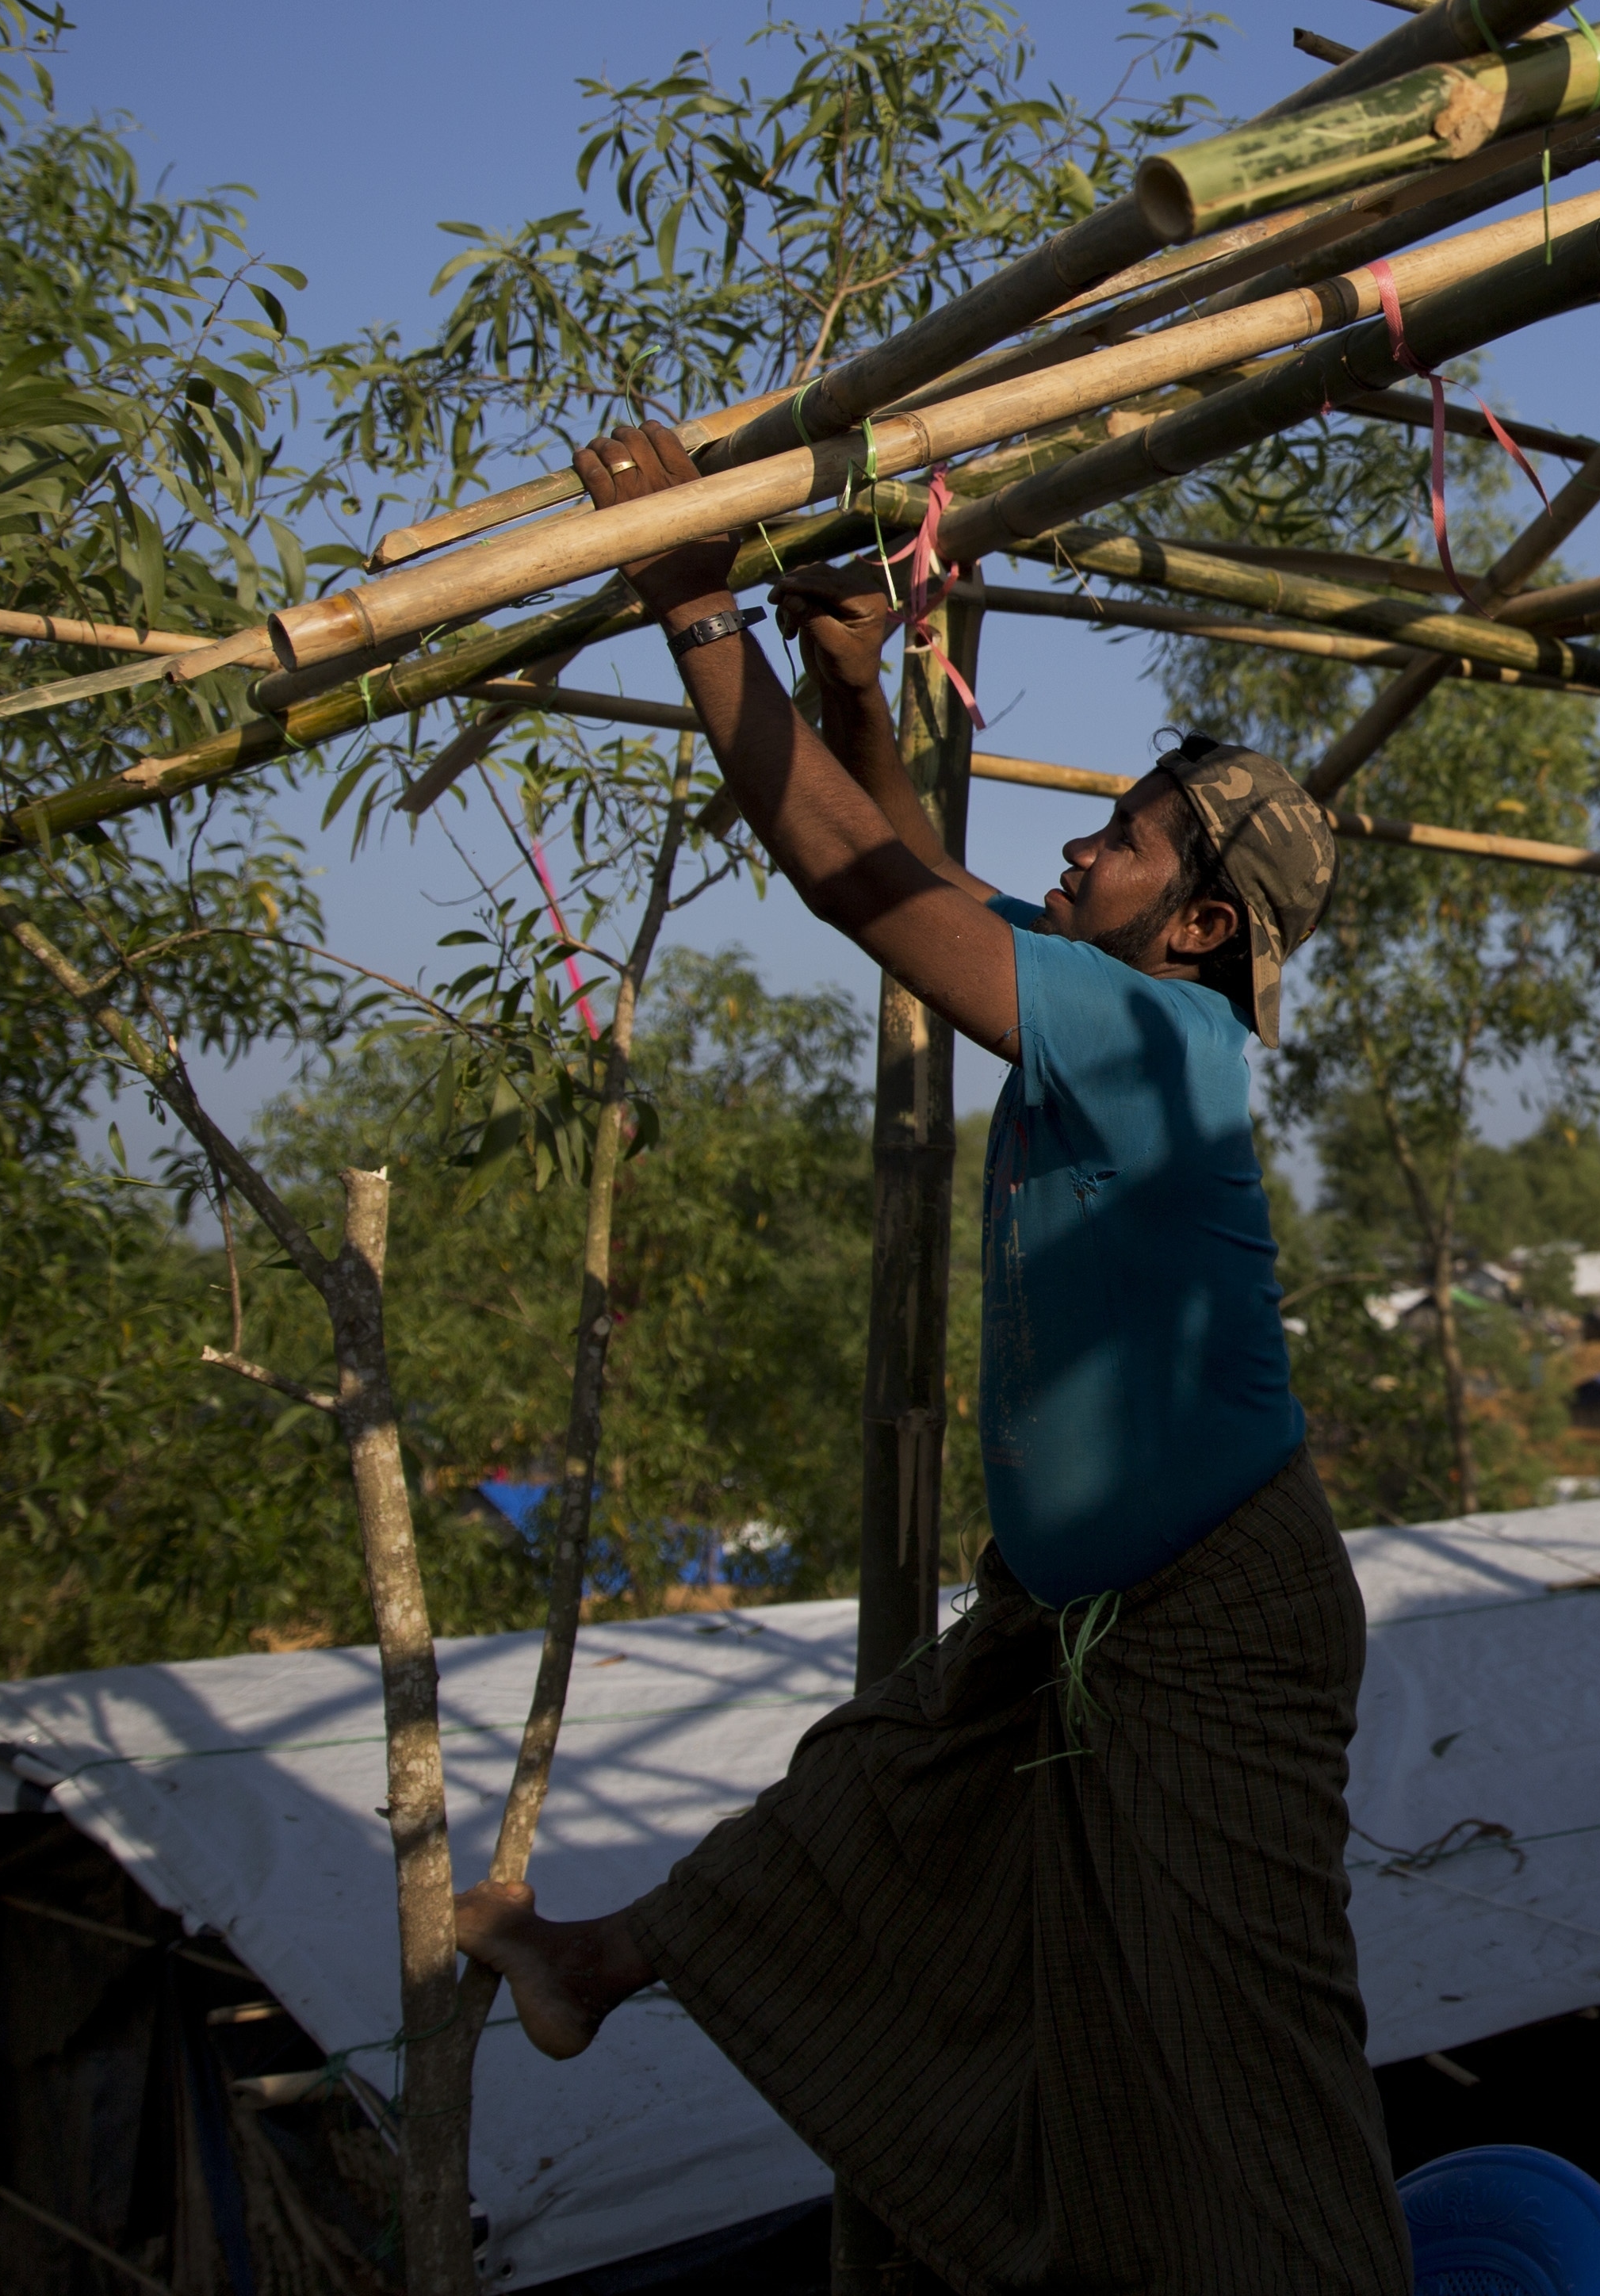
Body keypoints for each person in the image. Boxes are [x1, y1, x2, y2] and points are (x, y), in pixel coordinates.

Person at [450, 421, 1404, 2295]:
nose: (1078, 843)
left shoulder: (1149, 1040)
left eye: (1119, 840)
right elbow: (911, 868)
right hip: (1091, 1604)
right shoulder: (1115, 1010)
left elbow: (852, 884)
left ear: (1200, 926)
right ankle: (599, 1961)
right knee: (876, 1797)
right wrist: (845, 683)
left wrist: (692, 609)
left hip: (1213, 1616)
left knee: (1230, 2073)